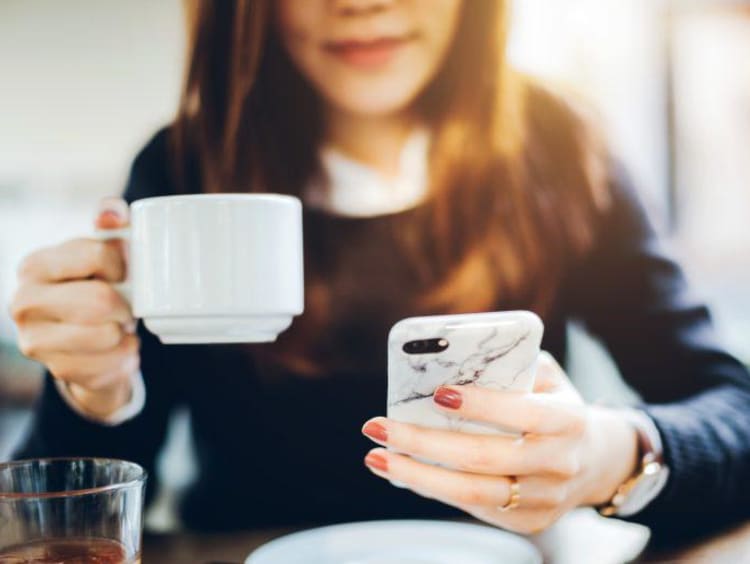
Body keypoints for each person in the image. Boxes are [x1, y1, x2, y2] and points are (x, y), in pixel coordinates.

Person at [10, 0, 750, 540]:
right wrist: (93, 388)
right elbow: (62, 514)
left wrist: (609, 456)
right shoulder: (182, 167)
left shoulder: (557, 148)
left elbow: (735, 416)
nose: (360, 4)